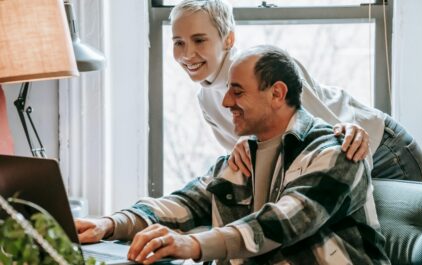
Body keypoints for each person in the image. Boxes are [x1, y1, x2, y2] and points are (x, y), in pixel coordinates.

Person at [76, 45, 390, 264]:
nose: (226, 102)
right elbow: (187, 202)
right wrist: (110, 224)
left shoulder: (338, 151)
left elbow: (284, 222)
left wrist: (193, 245)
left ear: (277, 94)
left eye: (237, 91)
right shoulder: (244, 156)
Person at [170, 0, 422, 181]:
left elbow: (321, 132)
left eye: (199, 40)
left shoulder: (267, 67)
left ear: (228, 39)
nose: (187, 54)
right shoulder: (206, 98)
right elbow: (253, 162)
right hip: (339, 162)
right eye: (178, 42)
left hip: (382, 150)